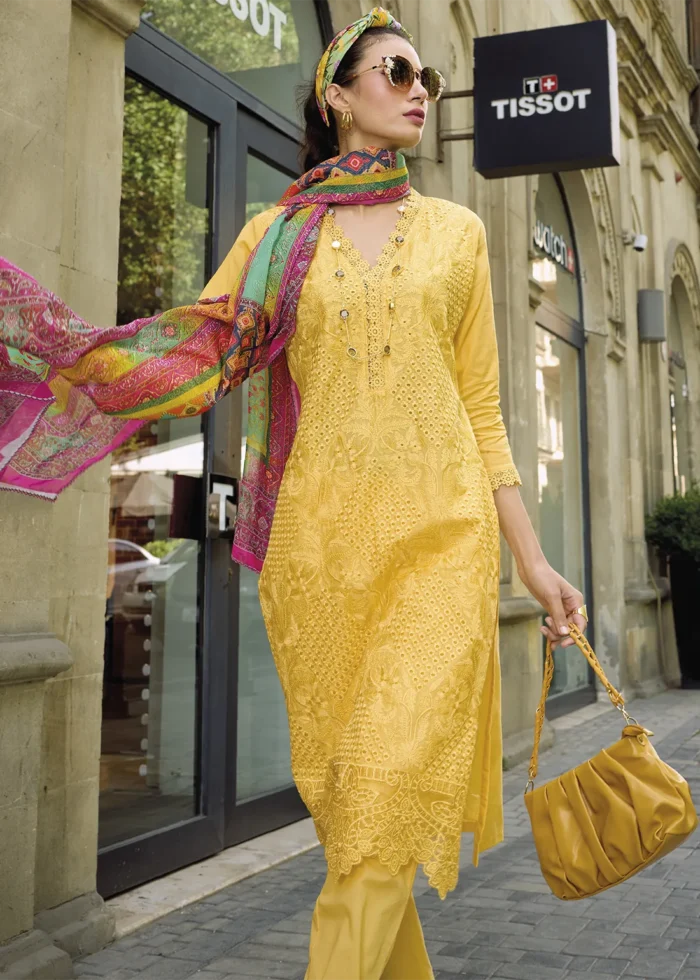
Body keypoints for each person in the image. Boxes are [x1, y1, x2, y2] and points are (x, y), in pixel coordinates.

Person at [0, 8, 587, 978]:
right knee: (359, 825)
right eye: (394, 71)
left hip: (441, 549)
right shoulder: (274, 238)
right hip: (317, 562)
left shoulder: (457, 234)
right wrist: (62, 360)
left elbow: (484, 412)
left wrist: (531, 557)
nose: (416, 91)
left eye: (426, 79)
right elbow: (197, 349)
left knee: (384, 806)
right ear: (336, 93)